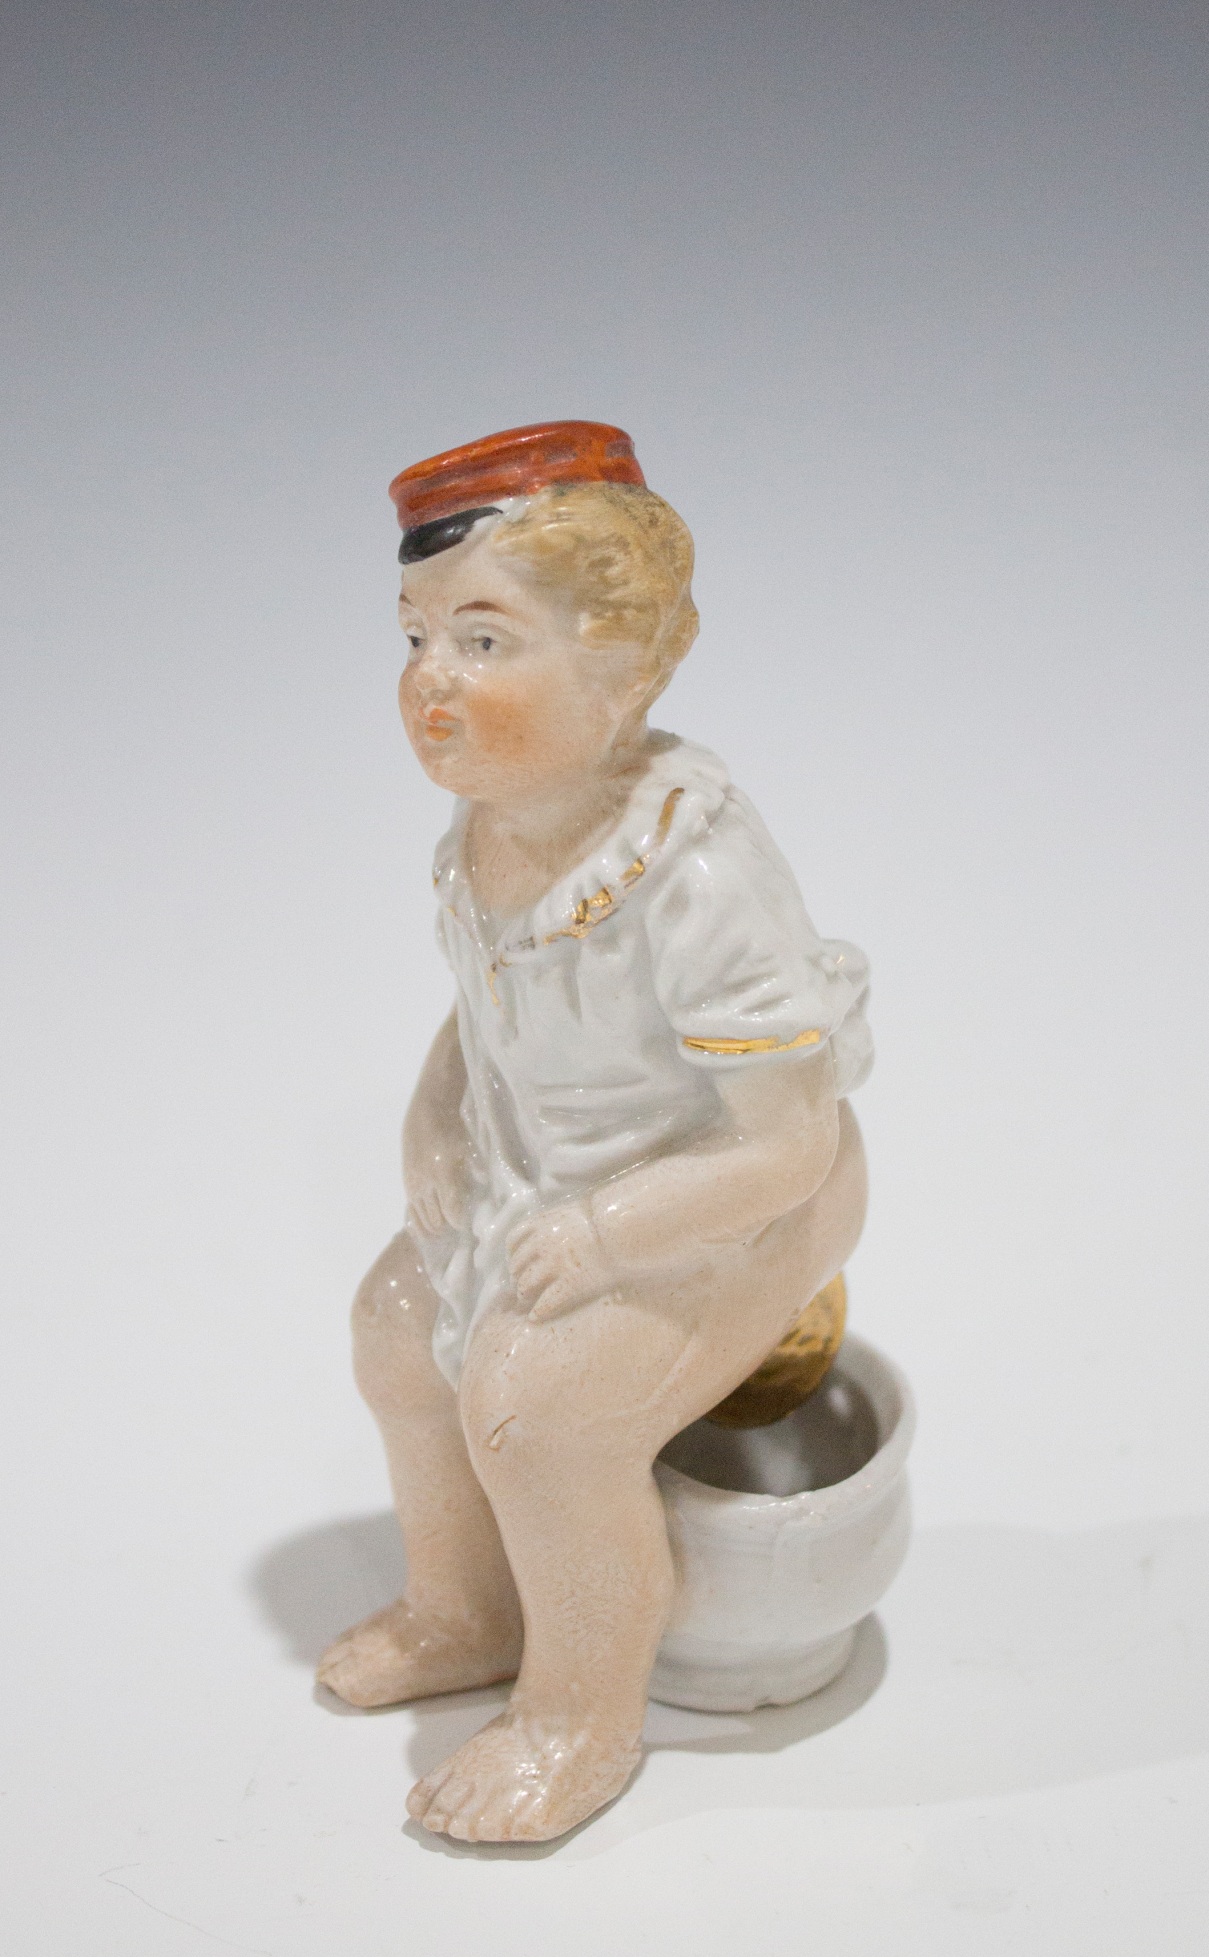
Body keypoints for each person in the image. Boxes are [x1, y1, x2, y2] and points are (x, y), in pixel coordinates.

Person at [317, 422, 872, 1843]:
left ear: (624, 668)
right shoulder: (493, 830)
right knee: (396, 1327)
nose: (430, 680)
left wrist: (609, 1230)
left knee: (535, 1409)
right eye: (416, 636)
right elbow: (489, 1007)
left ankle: (579, 1716)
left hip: (733, 1197)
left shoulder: (690, 870)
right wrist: (435, 1113)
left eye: (484, 641)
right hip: (542, 1175)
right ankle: (466, 1610)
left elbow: (787, 1147)